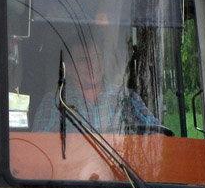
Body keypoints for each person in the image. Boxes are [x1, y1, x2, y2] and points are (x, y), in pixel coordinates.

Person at [31, 47, 159, 133]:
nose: (92, 64)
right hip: (72, 172)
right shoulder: (55, 102)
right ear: (68, 69)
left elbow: (157, 136)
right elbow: (42, 148)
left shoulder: (127, 97)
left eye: (96, 57)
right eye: (83, 60)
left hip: (122, 172)